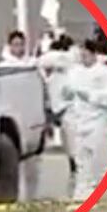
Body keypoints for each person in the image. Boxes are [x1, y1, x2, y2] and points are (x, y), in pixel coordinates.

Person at [61, 38, 107, 201]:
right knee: (81, 158)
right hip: (79, 121)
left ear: (93, 54)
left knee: (100, 157)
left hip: (98, 121)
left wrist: (90, 96)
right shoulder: (74, 73)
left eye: (86, 54)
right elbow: (65, 95)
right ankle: (82, 191)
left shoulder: (106, 73)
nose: (83, 58)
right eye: (81, 55)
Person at [37, 34, 79, 177]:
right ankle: (74, 162)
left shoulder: (67, 60)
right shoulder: (58, 69)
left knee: (71, 137)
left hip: (65, 104)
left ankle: (75, 163)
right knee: (69, 138)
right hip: (59, 104)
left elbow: (44, 61)